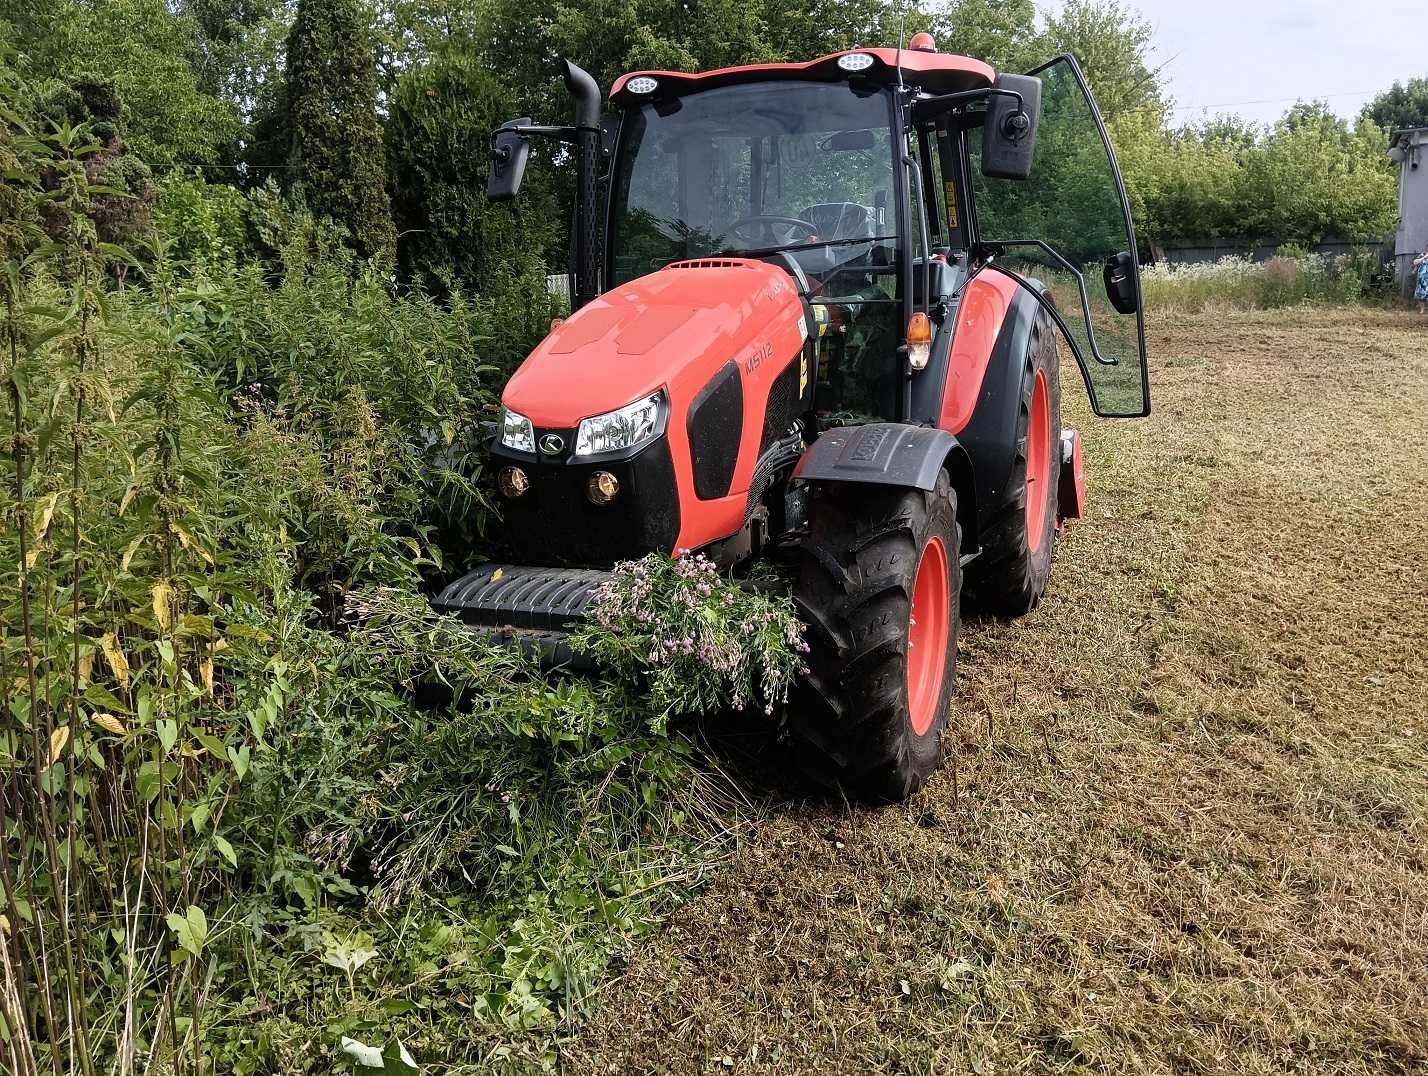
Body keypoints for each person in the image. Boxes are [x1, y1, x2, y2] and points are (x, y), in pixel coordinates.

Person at [1415, 243, 1428, 314]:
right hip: (1421, 279)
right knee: (1420, 295)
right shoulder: (1422, 255)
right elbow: (1415, 262)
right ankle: (1422, 309)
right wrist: (1424, 257)